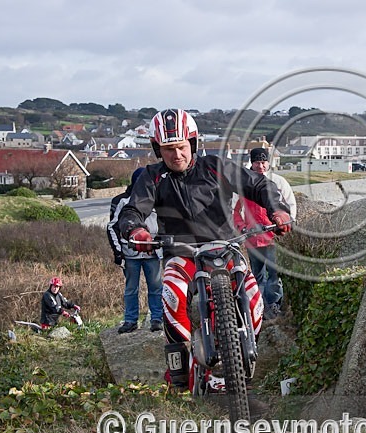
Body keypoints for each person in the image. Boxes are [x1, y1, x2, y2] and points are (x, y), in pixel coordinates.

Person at [118, 109, 292, 391]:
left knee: (254, 298)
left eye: (182, 147)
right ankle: (180, 362)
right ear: (157, 149)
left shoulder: (215, 166)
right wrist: (135, 230)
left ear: (193, 143)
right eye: (168, 149)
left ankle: (245, 356)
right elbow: (133, 209)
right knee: (172, 297)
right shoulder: (151, 177)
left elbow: (259, 184)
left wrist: (278, 210)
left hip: (226, 249)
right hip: (181, 252)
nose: (177, 155)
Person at [233, 147, 297, 320]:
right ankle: (259, 307)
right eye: (257, 162)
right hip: (252, 239)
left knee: (274, 274)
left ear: (268, 163)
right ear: (251, 163)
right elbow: (235, 211)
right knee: (256, 275)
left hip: (272, 237)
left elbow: (290, 204)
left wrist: (285, 224)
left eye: (263, 162)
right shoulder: (243, 184)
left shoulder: (279, 182)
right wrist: (241, 228)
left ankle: (274, 305)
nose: (260, 166)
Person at [107, 168, 164, 334]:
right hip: (130, 254)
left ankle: (157, 319)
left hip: (153, 253)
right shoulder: (121, 201)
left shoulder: (157, 200)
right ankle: (131, 320)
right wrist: (118, 253)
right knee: (131, 289)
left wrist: (163, 246)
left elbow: (164, 224)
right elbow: (112, 227)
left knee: (156, 287)